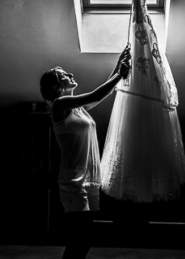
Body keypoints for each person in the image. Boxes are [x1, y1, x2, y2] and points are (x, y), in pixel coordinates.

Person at [39, 46, 131, 259]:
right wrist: (120, 74)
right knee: (78, 239)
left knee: (85, 240)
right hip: (73, 182)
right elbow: (97, 93)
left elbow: (100, 94)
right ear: (56, 86)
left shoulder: (78, 108)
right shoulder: (59, 104)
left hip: (89, 180)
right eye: (64, 75)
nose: (71, 75)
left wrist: (118, 65)